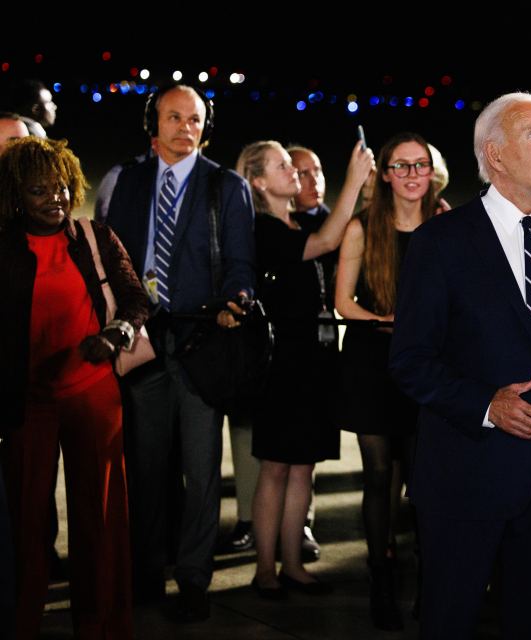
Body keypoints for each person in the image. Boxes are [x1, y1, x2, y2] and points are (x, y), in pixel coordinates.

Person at [389, 92, 531, 639]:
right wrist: (486, 405)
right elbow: (410, 361)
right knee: (450, 622)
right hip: (463, 482)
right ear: (494, 155)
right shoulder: (440, 243)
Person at [105, 84, 256, 621]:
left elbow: (241, 264)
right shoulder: (125, 180)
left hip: (201, 341)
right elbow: (108, 255)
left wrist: (238, 300)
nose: (184, 127)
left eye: (194, 119)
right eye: (174, 117)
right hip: (142, 339)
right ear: (155, 122)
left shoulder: (227, 185)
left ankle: (194, 576)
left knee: (202, 466)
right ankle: (146, 571)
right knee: (143, 467)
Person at [0, 137, 149, 638]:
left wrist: (118, 332)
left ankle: (101, 623)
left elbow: (134, 298)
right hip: (27, 401)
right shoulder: (3, 245)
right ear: (18, 195)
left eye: (61, 186)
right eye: (39, 190)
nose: (55, 198)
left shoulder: (94, 237)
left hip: (92, 393)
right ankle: (22, 620)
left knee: (101, 516)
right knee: (26, 519)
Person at [237, 139, 372, 599]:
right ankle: (264, 570)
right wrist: (353, 179)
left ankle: (292, 564)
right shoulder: (261, 230)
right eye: (282, 167)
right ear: (258, 182)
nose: (294, 172)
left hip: (315, 360)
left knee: (303, 469)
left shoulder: (300, 220)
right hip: (281, 363)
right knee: (275, 467)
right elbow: (330, 240)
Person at [335, 131, 435, 631]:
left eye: (421, 165)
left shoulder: (445, 225)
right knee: (378, 474)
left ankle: (428, 584)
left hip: (427, 367)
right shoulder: (362, 227)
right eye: (402, 166)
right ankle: (381, 579)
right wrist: (384, 323)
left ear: (432, 172)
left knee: (422, 481)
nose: (413, 175)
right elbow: (343, 302)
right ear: (386, 174)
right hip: (372, 361)